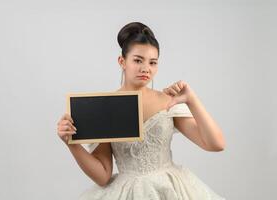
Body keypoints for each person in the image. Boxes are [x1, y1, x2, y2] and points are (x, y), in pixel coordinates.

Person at [57, 21, 226, 199]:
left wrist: (192, 100)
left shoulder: (168, 101)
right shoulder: (106, 107)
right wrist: (70, 143)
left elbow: (216, 144)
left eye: (153, 62)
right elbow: (103, 175)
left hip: (169, 190)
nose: (146, 68)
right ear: (122, 61)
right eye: (138, 60)